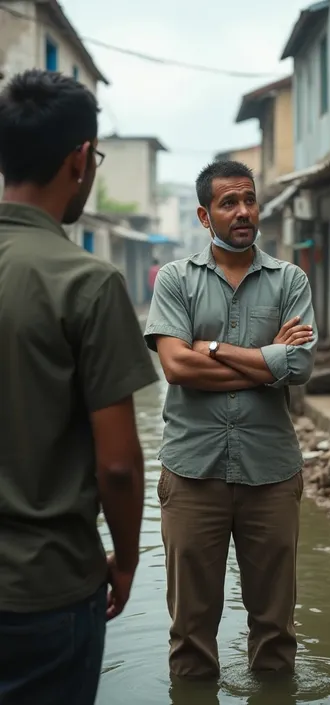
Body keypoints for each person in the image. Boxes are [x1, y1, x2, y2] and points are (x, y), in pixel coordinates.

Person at [0, 69, 158, 704]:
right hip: (47, 591)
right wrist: (124, 559)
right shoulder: (87, 283)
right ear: (79, 161)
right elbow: (118, 464)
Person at [145, 159, 318, 679]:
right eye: (228, 203)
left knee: (276, 629)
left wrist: (215, 348)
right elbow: (176, 367)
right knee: (191, 631)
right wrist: (268, 363)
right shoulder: (176, 279)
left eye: (248, 200)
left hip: (272, 472)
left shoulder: (290, 279)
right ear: (204, 214)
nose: (243, 212)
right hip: (192, 473)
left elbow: (301, 366)